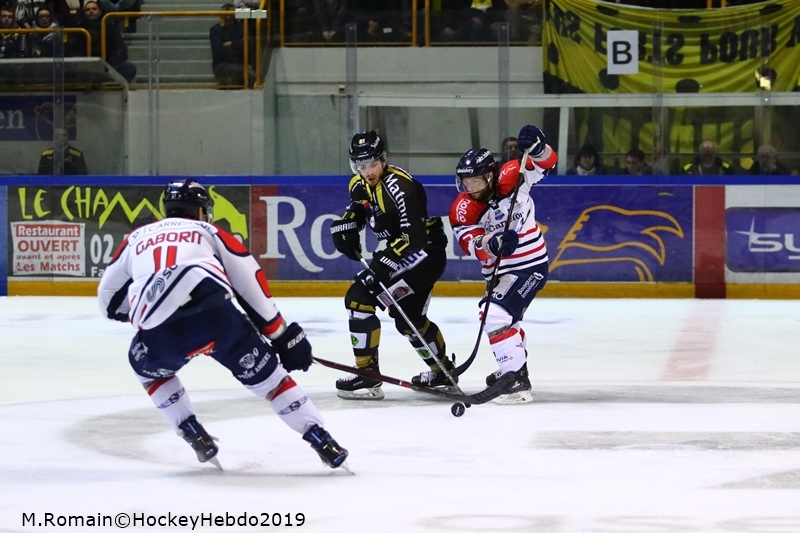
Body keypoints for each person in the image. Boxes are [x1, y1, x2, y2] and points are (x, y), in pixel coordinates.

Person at [97, 179, 348, 469]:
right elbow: (248, 282)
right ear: (201, 210)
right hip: (217, 319)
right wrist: (280, 336)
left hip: (161, 332)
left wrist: (152, 311)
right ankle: (322, 440)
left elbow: (108, 300)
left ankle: (193, 434)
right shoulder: (208, 231)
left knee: (150, 373)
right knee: (272, 381)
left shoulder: (136, 238)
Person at [329, 130, 451, 400]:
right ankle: (442, 373)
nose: (368, 171)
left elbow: (415, 237)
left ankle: (367, 376)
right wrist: (347, 225)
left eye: (372, 164)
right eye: (360, 165)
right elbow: (360, 208)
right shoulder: (359, 184)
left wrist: (384, 263)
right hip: (411, 255)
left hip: (423, 255)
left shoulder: (402, 187)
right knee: (409, 319)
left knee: (359, 300)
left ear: (383, 160)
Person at [449, 125, 555, 404]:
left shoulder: (514, 174)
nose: (469, 188)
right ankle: (515, 370)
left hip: (531, 265)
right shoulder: (463, 208)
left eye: (475, 181)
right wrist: (491, 243)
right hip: (501, 272)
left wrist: (538, 145)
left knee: (493, 314)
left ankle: (516, 380)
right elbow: (471, 244)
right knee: (508, 320)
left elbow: (547, 162)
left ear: (490, 176)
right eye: (465, 182)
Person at [78, 1, 136, 82]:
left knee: (129, 67)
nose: (91, 11)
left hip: (108, 65)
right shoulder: (79, 29)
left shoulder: (109, 26)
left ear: (99, 12)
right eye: (88, 10)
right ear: (84, 13)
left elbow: (119, 49)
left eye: (94, 9)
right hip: (86, 67)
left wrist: (110, 66)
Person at [210, 3, 256, 86]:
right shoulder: (215, 30)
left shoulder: (242, 27)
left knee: (251, 75)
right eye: (226, 16)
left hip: (240, 63)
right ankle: (229, 81)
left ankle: (232, 82)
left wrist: (232, 43)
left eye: (231, 15)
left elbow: (250, 45)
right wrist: (239, 45)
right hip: (223, 65)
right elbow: (218, 51)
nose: (228, 18)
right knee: (241, 70)